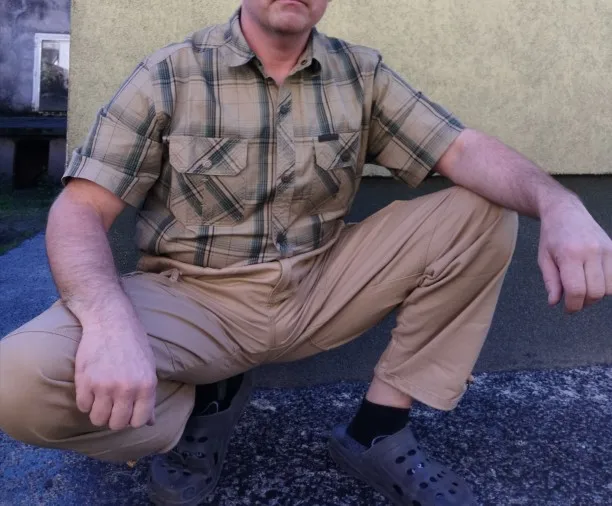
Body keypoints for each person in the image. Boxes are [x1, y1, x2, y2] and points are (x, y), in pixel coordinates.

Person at [1, 1, 610, 504]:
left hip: (321, 285)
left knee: (484, 209)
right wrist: (108, 323)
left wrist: (559, 203)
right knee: (15, 383)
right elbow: (80, 210)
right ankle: (195, 411)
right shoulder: (170, 73)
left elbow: (462, 149)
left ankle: (376, 432)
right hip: (195, 299)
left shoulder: (360, 73)